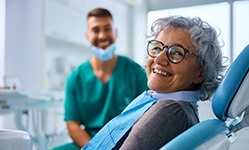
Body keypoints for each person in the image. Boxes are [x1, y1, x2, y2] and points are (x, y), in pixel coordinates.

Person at [82, 16, 227, 150]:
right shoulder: (162, 103)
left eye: (176, 52)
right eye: (157, 48)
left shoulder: (171, 111)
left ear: (200, 73)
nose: (159, 59)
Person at [53, 8, 149, 150]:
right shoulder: (76, 78)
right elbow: (72, 125)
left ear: (115, 33)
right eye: (96, 30)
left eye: (107, 29)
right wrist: (95, 147)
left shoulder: (136, 72)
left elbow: (147, 116)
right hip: (89, 142)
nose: (102, 35)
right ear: (87, 35)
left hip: (127, 142)